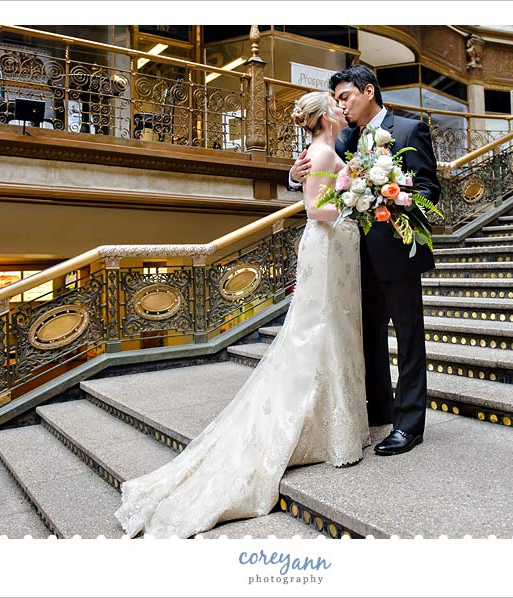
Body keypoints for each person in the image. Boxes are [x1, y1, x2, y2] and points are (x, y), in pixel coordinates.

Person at [115, 91, 369, 538]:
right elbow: (316, 209)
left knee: (329, 330)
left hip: (332, 250)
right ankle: (329, 429)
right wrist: (353, 193)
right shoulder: (325, 151)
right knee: (319, 330)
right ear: (327, 116)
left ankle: (332, 422)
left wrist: (347, 186)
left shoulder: (321, 151)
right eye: (337, 104)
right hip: (327, 245)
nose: (342, 109)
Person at [289, 64, 439, 456]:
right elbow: (320, 173)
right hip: (352, 256)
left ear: (368, 91)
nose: (341, 106)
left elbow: (429, 189)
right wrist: (294, 174)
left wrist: (391, 198)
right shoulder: (344, 140)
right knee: (366, 338)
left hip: (395, 251)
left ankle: (409, 425)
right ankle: (381, 409)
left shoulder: (409, 130)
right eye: (336, 100)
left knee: (408, 340)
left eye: (345, 97)